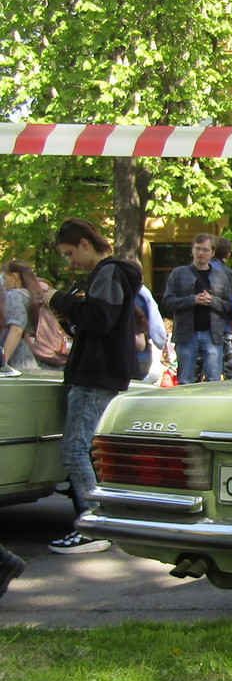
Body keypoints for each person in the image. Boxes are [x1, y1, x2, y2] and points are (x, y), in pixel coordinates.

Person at [42, 218, 142, 553]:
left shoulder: (109, 273)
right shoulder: (110, 274)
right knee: (85, 449)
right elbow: (99, 324)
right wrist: (71, 318)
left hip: (95, 374)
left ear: (85, 243)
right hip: (97, 370)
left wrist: (61, 301)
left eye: (71, 253)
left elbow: (100, 320)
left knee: (75, 449)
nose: (70, 261)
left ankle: (93, 524)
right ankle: (97, 521)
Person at [163, 234, 232, 385]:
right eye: (198, 249)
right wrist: (192, 300)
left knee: (214, 380)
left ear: (212, 253)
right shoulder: (179, 274)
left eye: (206, 250)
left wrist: (212, 301)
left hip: (212, 335)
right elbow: (168, 301)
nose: (201, 253)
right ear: (192, 250)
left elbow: (229, 305)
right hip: (187, 334)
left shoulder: (221, 276)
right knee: (185, 380)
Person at [2, 260, 46, 370]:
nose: (3, 283)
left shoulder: (15, 295)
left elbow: (16, 331)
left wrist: (3, 362)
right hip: (39, 352)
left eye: (5, 278)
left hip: (20, 354)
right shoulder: (37, 294)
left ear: (14, 276)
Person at [211, 237, 232, 380]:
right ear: (228, 254)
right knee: (229, 368)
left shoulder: (196, 270)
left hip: (201, 327)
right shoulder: (226, 272)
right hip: (223, 326)